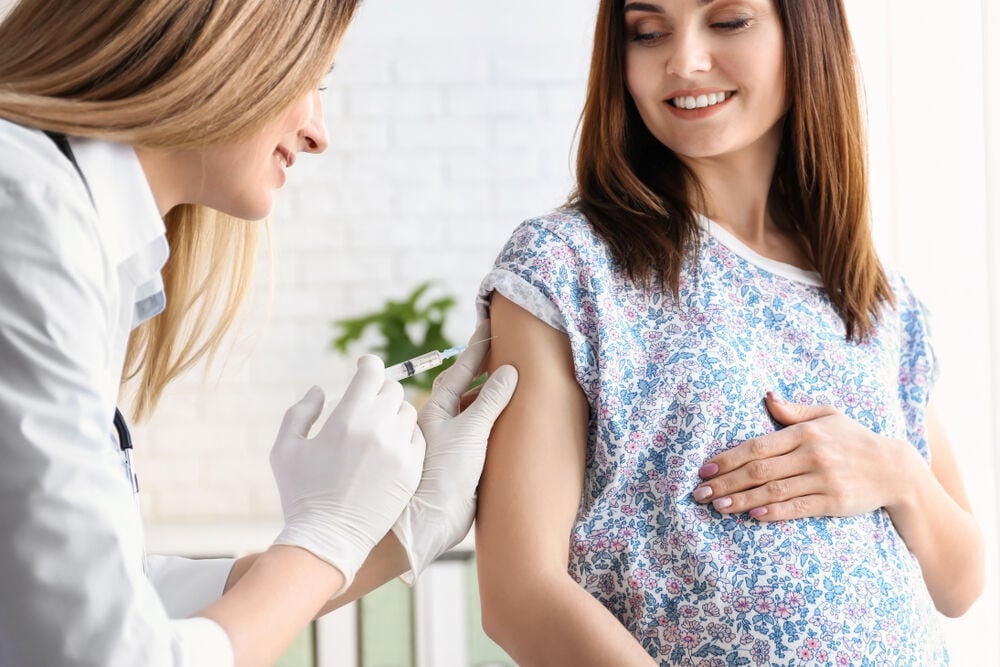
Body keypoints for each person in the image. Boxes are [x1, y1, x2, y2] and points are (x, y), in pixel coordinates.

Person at [0, 1, 517, 665]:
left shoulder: (63, 222)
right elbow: (110, 652)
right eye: (312, 81)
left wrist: (392, 533)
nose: (318, 133)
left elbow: (101, 596)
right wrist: (327, 531)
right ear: (217, 41)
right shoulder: (25, 213)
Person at [474, 0, 984, 664]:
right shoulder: (567, 267)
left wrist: (897, 474)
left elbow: (961, 582)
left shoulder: (873, 294)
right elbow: (519, 593)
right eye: (647, 32)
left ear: (806, 33)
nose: (682, 61)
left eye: (728, 20)